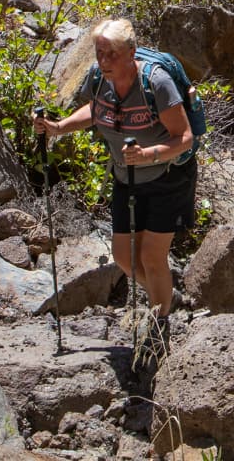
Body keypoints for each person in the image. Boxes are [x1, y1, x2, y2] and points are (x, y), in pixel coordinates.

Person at [33, 18, 195, 356]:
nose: (104, 61)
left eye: (112, 54)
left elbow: (184, 138)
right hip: (126, 177)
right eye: (99, 53)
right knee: (123, 257)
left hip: (168, 178)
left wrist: (147, 154)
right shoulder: (99, 78)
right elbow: (96, 110)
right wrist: (59, 127)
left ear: (131, 52)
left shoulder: (157, 83)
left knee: (152, 257)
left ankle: (158, 328)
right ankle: (164, 296)